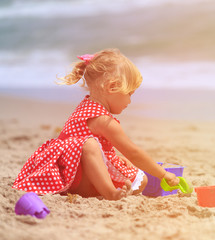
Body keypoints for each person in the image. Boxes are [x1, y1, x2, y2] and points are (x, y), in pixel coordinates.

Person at [12, 48, 179, 200]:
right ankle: (109, 192)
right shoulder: (104, 121)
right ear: (112, 87)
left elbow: (92, 151)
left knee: (138, 179)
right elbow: (133, 152)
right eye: (129, 93)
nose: (129, 100)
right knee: (94, 147)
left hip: (64, 172)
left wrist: (115, 157)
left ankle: (107, 189)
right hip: (77, 178)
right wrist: (163, 174)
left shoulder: (86, 106)